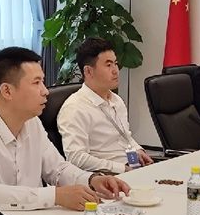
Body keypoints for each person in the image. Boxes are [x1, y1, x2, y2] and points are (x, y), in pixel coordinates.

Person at [0, 47, 130, 215]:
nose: (45, 91)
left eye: (42, 82)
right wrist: (56, 196)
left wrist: (92, 180)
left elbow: (58, 169)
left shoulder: (32, 123)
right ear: (7, 91)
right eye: (36, 83)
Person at [58, 38, 153, 174]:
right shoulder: (74, 108)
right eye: (108, 65)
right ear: (88, 71)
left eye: (115, 63)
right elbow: (76, 158)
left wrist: (138, 149)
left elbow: (125, 136)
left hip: (132, 168)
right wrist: (121, 168)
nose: (115, 70)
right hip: (107, 176)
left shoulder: (117, 100)